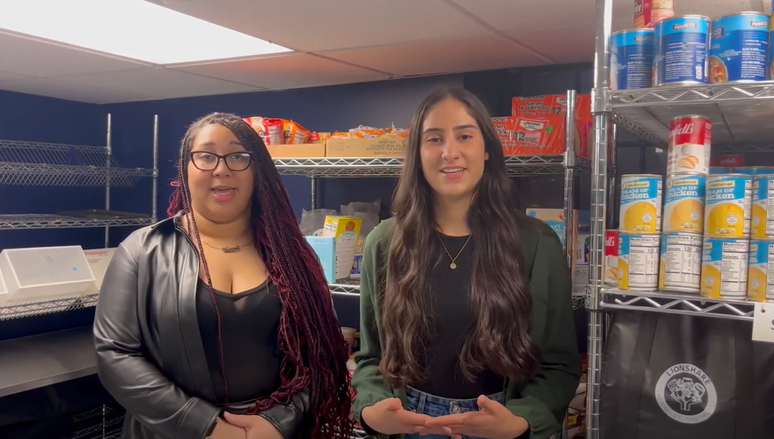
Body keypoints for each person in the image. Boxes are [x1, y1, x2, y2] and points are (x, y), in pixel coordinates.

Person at [93, 112, 353, 439]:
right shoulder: (142, 251)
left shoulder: (294, 256)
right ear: (185, 170)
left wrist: (278, 422)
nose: (221, 168)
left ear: (257, 169)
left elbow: (322, 354)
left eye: (237, 156)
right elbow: (114, 354)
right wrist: (206, 427)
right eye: (205, 156)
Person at [351, 87, 582, 439]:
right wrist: (370, 409)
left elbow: (559, 364)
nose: (450, 152)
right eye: (434, 139)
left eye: (464, 136)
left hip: (501, 424)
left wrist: (522, 421)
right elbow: (371, 357)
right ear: (417, 153)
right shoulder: (384, 243)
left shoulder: (537, 243)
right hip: (412, 423)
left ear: (486, 149)